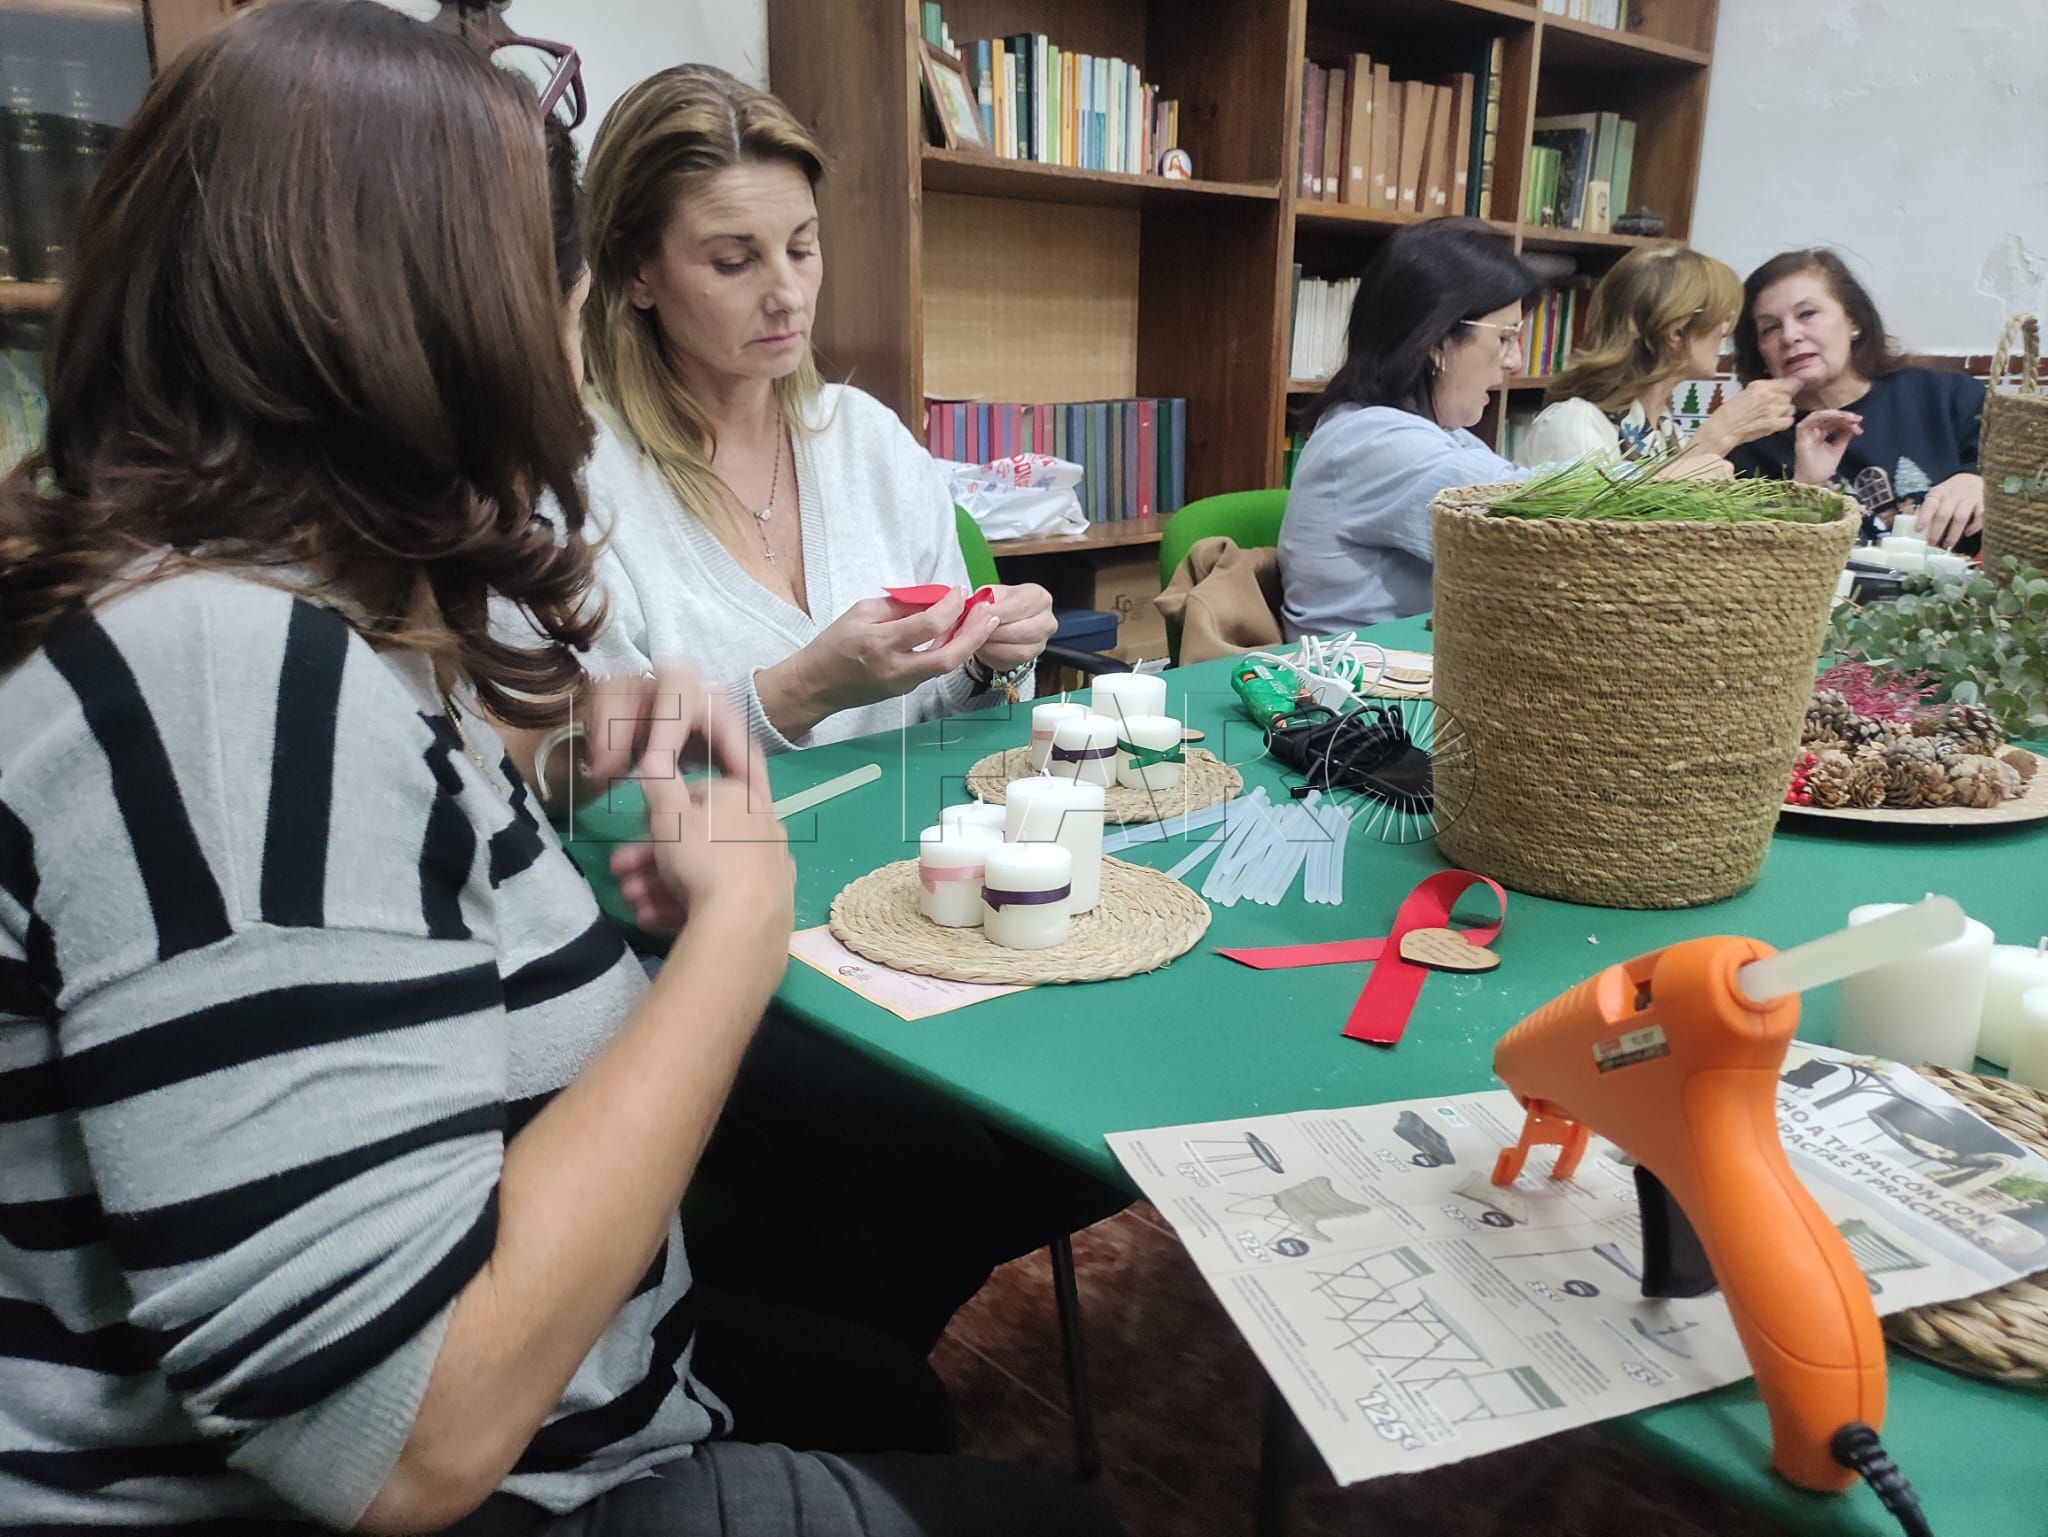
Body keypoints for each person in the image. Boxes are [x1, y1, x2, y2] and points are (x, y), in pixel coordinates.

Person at [0, 9, 1123, 1537]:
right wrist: (733, 929)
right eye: (558, 294)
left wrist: (553, 730)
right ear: (439, 319)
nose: (560, 344)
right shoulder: (224, 683)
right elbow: (403, 1444)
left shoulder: (238, 597)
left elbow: (363, 813)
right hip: (465, 1469)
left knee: (895, 1398)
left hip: (573, 1366)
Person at [571, 65, 1055, 752]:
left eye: (803, 247)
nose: (789, 295)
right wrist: (803, 689)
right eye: (735, 262)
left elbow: (948, 719)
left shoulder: (868, 440)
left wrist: (986, 657)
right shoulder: (580, 485)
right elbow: (575, 775)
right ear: (636, 271)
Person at [1280, 220, 1539, 636]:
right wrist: (1675, 474)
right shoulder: (1372, 440)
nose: (1514, 362)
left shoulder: (1436, 433)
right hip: (1360, 693)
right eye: (1506, 337)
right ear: (1437, 340)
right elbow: (1537, 510)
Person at [1730, 247, 1986, 550]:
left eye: (1807, 314)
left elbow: (2029, 484)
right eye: (1770, 328)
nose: (1790, 336)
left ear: (1853, 321)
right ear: (1759, 350)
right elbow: (1750, 565)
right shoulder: (1750, 444)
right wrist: (1805, 490)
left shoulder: (1946, 397)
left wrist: (1981, 482)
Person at [1514, 243, 1799, 468]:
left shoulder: (1664, 428)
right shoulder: (1575, 424)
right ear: (1675, 331)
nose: (1726, 330)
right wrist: (1719, 433)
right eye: (1720, 317)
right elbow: (1601, 537)